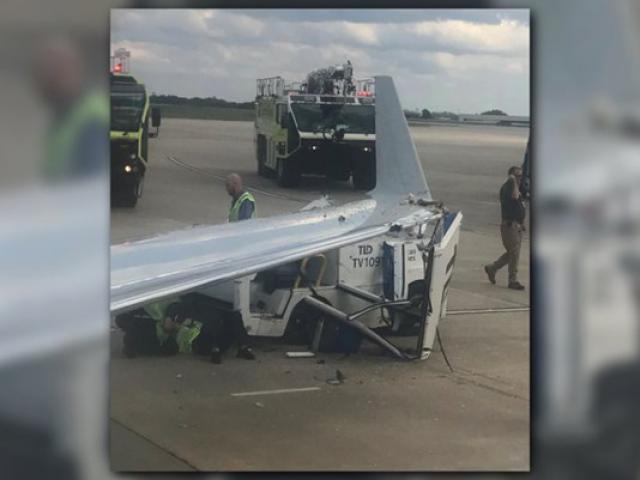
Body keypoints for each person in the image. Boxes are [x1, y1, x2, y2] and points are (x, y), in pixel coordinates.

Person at [33, 37, 108, 180]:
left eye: (53, 72)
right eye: (40, 73)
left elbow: (89, 184)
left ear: (74, 71)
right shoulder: (65, 114)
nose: (43, 82)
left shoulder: (92, 121)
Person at [115, 296, 255, 363]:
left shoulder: (153, 310)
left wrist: (170, 318)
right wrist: (173, 328)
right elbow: (169, 347)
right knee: (209, 328)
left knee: (232, 315)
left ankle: (243, 347)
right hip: (196, 341)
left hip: (198, 331)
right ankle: (216, 348)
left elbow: (174, 304)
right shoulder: (145, 329)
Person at [484, 166, 526, 290]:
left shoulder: (517, 188)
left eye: (521, 176)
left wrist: (522, 222)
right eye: (517, 176)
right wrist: (512, 180)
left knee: (512, 253)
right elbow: (513, 197)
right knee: (514, 253)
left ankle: (492, 268)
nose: (520, 178)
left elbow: (519, 204)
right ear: (511, 176)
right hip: (509, 226)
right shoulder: (508, 187)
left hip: (517, 226)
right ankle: (512, 280)